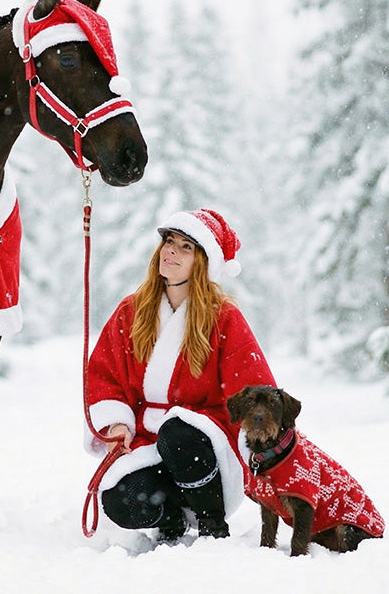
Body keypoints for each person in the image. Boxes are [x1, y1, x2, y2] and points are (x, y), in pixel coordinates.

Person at [84, 208, 277, 541]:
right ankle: (171, 519)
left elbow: (254, 390)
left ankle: (212, 523)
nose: (170, 251)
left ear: (202, 261)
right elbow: (104, 375)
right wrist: (117, 423)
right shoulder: (131, 311)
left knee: (177, 432)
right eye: (169, 242)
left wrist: (268, 448)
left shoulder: (224, 318)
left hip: (204, 454)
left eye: (185, 247)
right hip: (147, 444)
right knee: (119, 500)